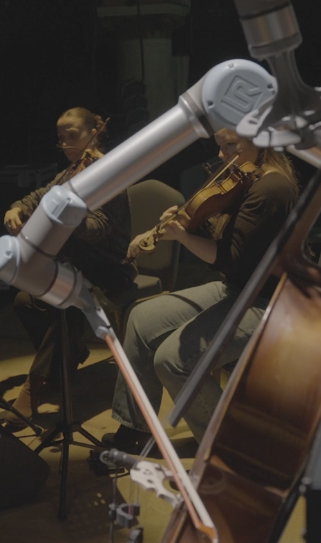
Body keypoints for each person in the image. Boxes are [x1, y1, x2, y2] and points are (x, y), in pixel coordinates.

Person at [105, 128, 298, 450]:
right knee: (141, 318)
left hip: (272, 303)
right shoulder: (247, 179)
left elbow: (230, 258)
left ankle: (224, 444)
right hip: (240, 289)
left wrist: (183, 237)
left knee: (172, 360)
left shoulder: (272, 189)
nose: (222, 155)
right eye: (220, 146)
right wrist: (181, 227)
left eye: (230, 145)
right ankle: (136, 428)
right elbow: (228, 239)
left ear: (261, 139)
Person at [1, 107, 137, 429]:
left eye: (72, 136)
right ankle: (67, 359)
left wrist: (69, 217)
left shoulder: (109, 173)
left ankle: (31, 391)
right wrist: (16, 208)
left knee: (67, 304)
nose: (64, 145)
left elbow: (99, 229)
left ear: (94, 133)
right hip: (76, 266)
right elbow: (37, 197)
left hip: (108, 267)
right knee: (24, 302)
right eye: (61, 138)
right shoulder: (70, 173)